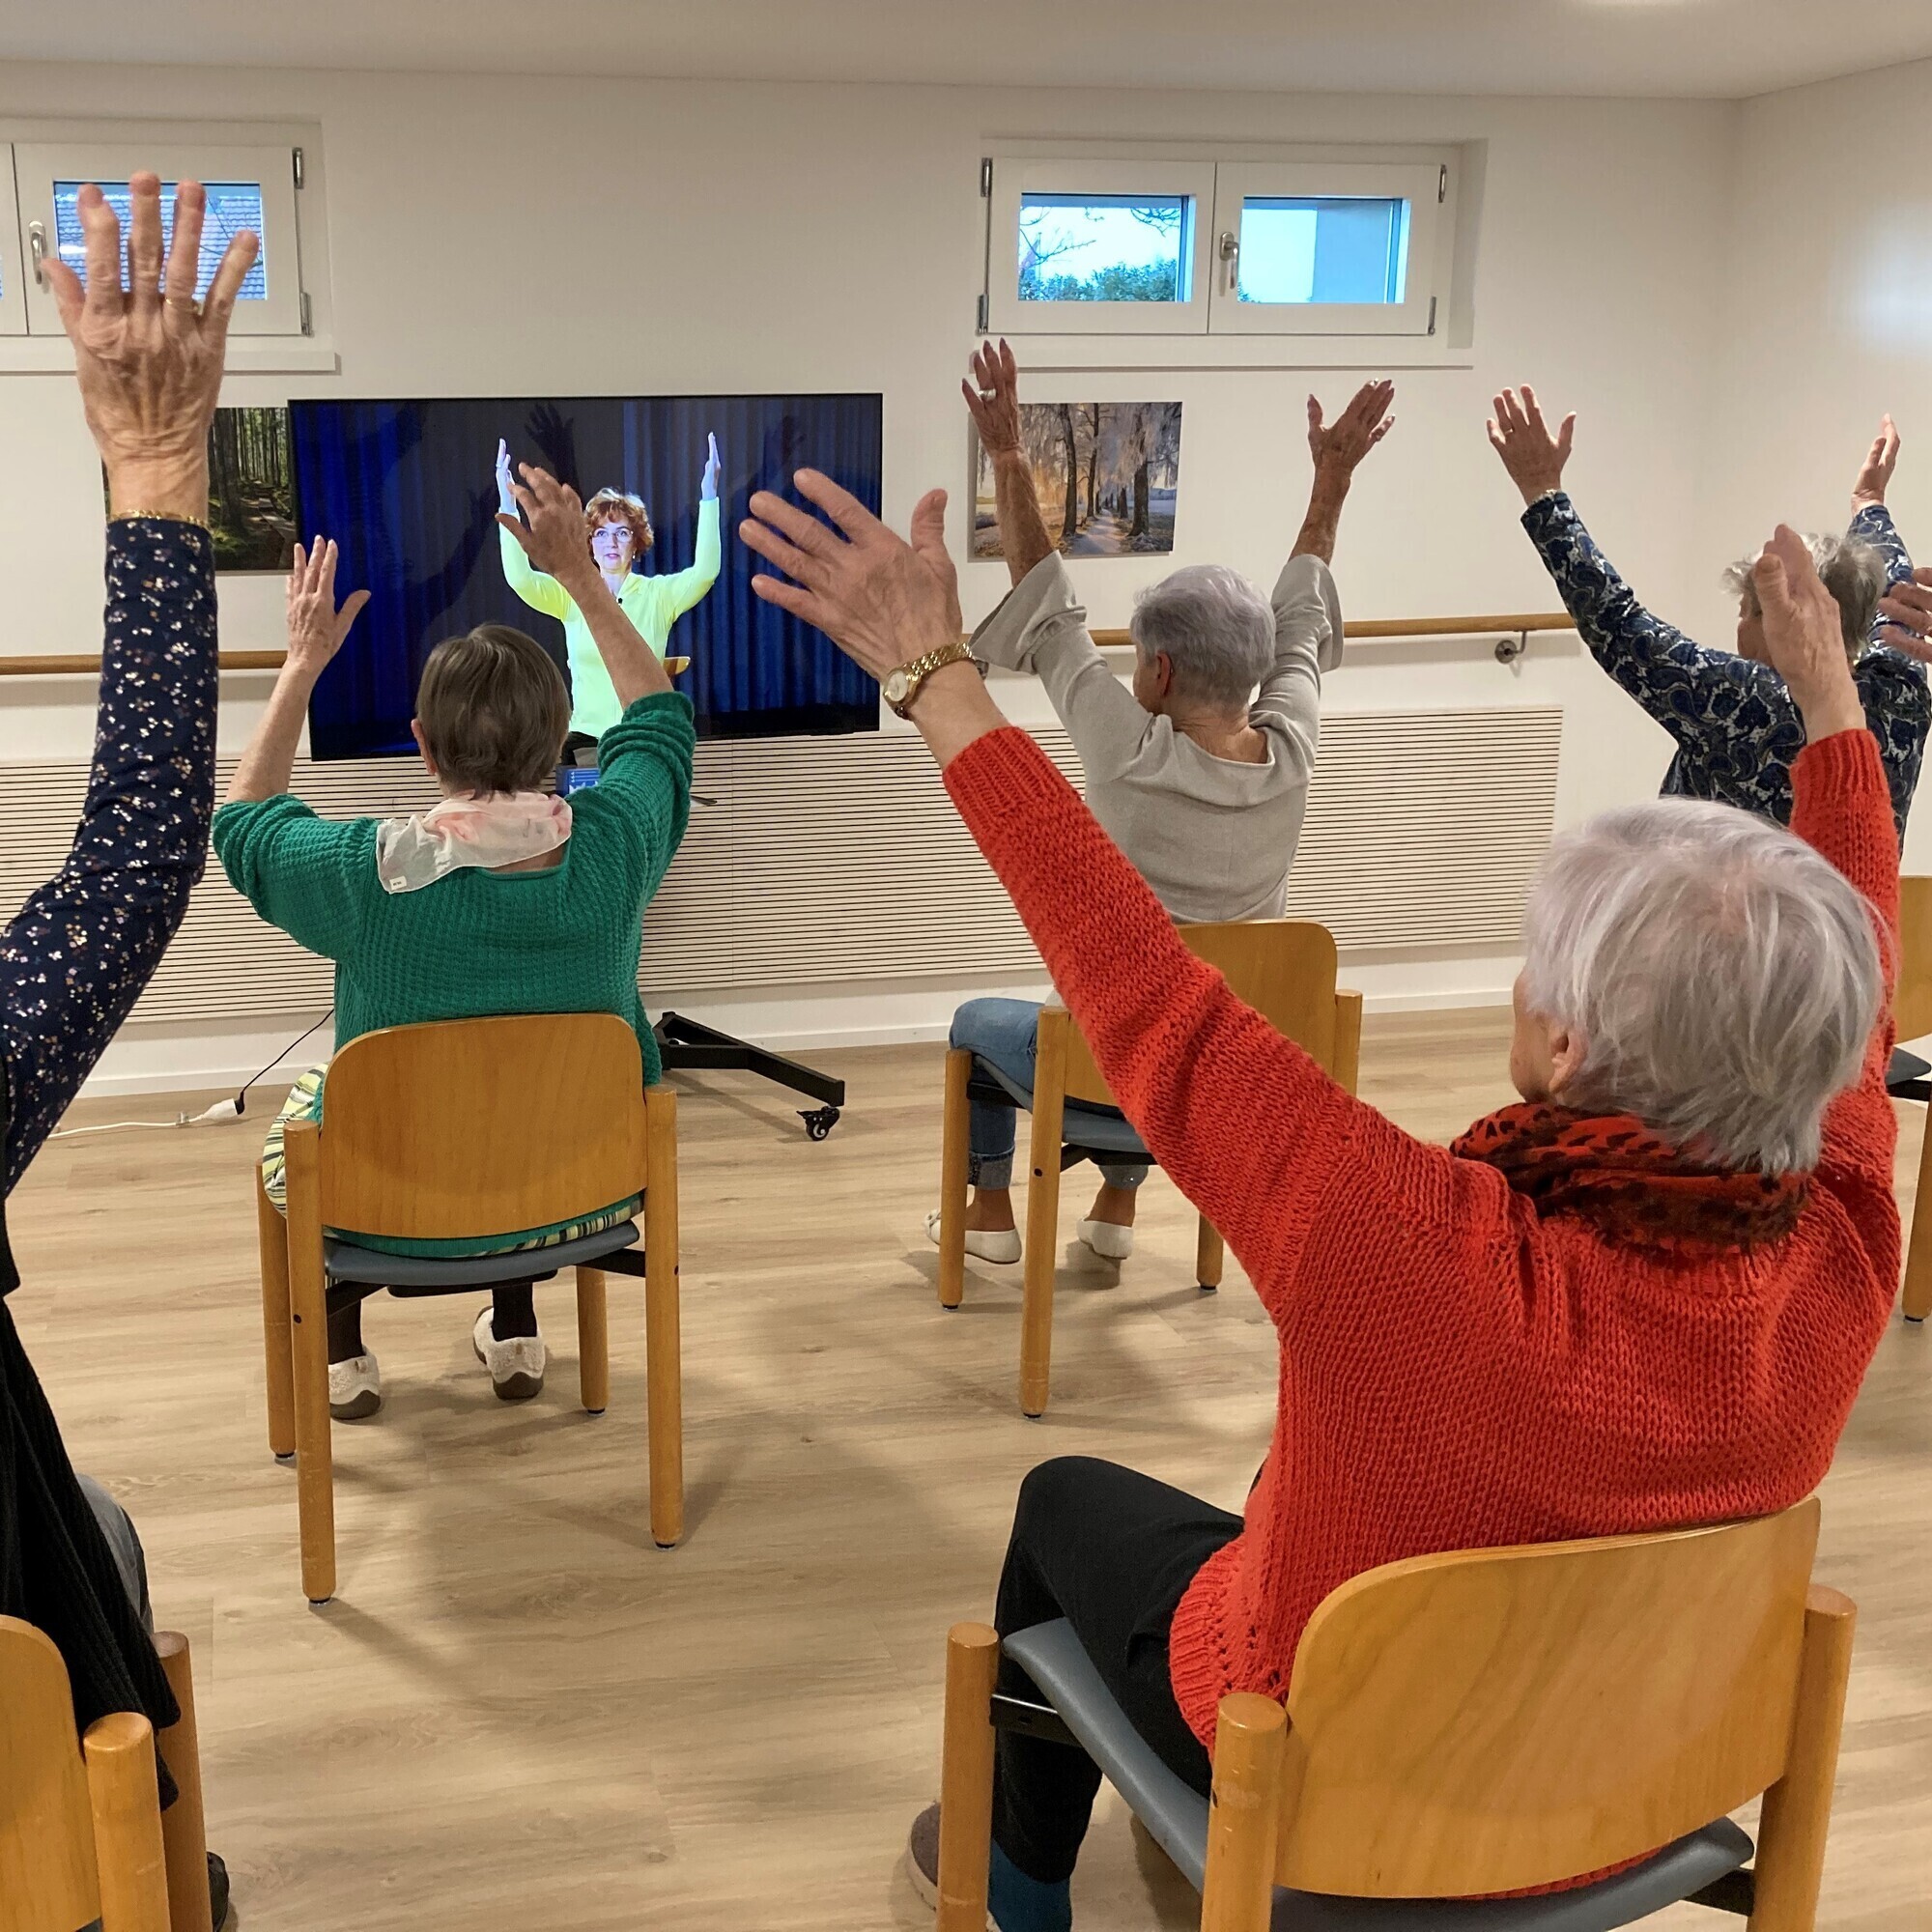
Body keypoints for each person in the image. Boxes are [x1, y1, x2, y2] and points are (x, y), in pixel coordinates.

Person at [739, 473, 1900, 1930]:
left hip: (1339, 1778)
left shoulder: (1410, 1248)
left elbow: (1149, 994)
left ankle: (1011, 1882)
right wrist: (1835, 713)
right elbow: (1861, 975)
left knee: (1057, 1504)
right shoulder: (1845, 1243)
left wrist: (934, 677)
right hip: (1641, 1785)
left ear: (1567, 1048)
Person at [214, 467, 695, 1420]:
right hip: (586, 1197)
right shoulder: (619, 846)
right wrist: (581, 581)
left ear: (424, 747)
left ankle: (342, 1348)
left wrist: (301, 663)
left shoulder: (363, 870)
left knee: (311, 1108)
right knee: (516, 1086)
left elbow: (245, 825)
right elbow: (660, 723)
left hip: (384, 1206)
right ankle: (514, 1326)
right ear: (563, 737)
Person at [1, 174, 257, 1930]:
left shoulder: (338, 872)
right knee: (101, 1536)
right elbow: (144, 852)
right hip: (42, 1823)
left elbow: (205, 841)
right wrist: (159, 482)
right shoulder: (627, 824)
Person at [939, 341, 1391, 1264]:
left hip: (1120, 1067)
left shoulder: (1128, 754)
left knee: (982, 1025)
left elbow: (1046, 603)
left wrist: (1010, 456)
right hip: (1232, 1072)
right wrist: (1330, 481)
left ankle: (989, 1218)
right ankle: (1115, 1210)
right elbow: (1301, 619)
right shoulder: (1293, 752)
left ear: (1160, 670)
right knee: (1191, 987)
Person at [1489, 385, 1926, 836]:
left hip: (1724, 907)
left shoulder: (1740, 700)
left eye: (1746, 610)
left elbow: (1616, 621)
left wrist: (1543, 492)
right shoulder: (1899, 695)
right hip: (1851, 907)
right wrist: (1870, 503)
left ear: (1778, 617)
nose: (1738, 626)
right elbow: (1898, 592)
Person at [495, 430, 723, 751]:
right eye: (601, 534)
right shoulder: (571, 594)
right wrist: (508, 506)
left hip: (642, 739)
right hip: (585, 742)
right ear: (589, 542)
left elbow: (705, 572)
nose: (611, 543)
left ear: (636, 542)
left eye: (622, 533)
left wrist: (709, 497)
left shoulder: (659, 596)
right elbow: (521, 579)